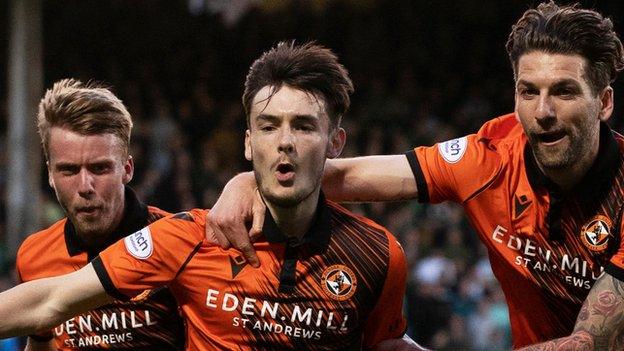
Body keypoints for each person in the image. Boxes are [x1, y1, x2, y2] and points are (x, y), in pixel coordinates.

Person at [205, 2, 624, 349]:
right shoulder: (490, 159)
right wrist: (252, 181)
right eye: (529, 92)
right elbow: (342, 175)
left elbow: (588, 343)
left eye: (564, 92)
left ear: (603, 102)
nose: (543, 112)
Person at [0, 42, 422, 350]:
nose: (285, 142)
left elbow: (385, 343)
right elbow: (51, 300)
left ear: (335, 142)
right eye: (269, 126)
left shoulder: (380, 255)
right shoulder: (185, 239)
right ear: (247, 143)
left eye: (305, 126)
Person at [15, 79, 185, 350]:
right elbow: (41, 342)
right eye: (69, 170)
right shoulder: (34, 256)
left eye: (100, 168)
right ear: (50, 174)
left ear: (127, 169)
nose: (85, 187)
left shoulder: (178, 244)